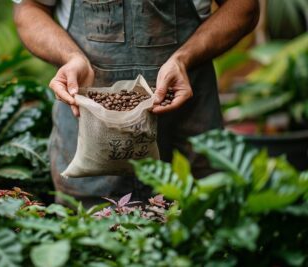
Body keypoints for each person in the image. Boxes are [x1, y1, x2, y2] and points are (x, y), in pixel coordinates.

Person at [14, 0, 259, 206]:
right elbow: (29, 9)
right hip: (88, 142)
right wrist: (70, 56)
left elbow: (244, 7)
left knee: (195, 229)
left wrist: (184, 58)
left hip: (186, 138)